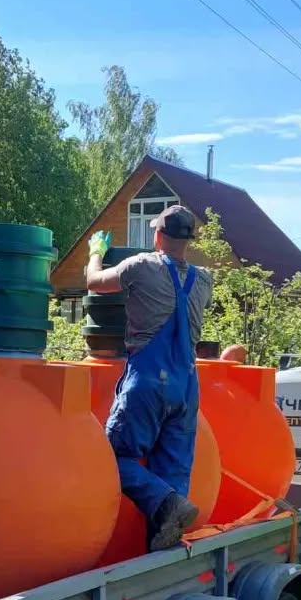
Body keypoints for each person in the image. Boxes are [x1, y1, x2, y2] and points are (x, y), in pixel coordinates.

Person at [86, 205, 214, 551]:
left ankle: (167, 503)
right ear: (188, 240)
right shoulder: (204, 280)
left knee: (112, 458)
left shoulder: (141, 266)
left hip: (147, 382)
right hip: (186, 387)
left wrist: (96, 254)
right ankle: (164, 551)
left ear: (158, 234)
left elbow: (94, 283)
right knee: (174, 472)